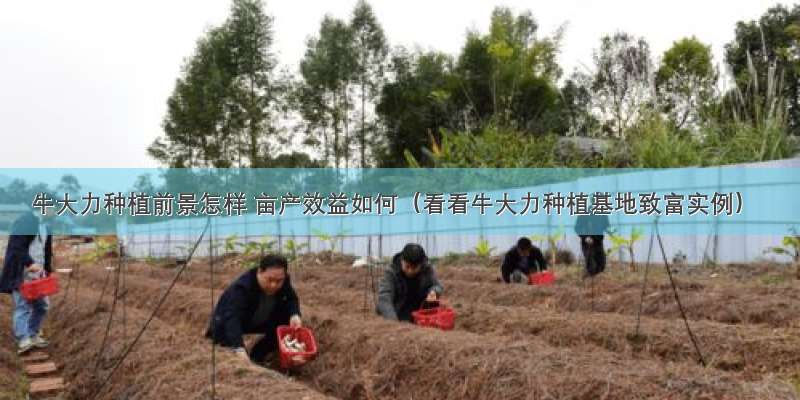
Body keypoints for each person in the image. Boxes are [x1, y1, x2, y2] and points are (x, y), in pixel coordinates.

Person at [206, 254, 304, 365]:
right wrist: (239, 348)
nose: (273, 285)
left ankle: (257, 357)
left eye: (278, 281)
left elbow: (291, 298)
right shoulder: (242, 288)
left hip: (259, 319)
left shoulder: (283, 280)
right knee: (227, 349)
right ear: (259, 272)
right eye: (270, 280)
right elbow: (232, 319)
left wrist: (295, 314)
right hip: (228, 322)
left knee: (285, 324)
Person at [0, 207, 54, 355]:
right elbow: (16, 247)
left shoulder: (46, 226)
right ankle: (23, 339)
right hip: (22, 272)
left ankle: (33, 334)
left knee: (42, 305)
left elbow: (47, 252)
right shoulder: (25, 221)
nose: (55, 212)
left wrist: (48, 270)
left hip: (38, 275)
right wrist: (29, 263)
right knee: (23, 306)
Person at [376, 243, 444, 322]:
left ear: (421, 265)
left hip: (419, 315)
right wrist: (393, 322)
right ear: (402, 261)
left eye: (414, 268)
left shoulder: (427, 269)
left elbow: (437, 285)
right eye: (407, 266)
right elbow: (384, 298)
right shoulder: (391, 272)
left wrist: (434, 292)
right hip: (396, 313)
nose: (410, 271)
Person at [575, 212, 611, 277]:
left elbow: (606, 226)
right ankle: (590, 278)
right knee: (591, 262)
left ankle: (596, 278)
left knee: (601, 263)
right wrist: (585, 237)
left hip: (598, 241)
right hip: (587, 242)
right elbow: (577, 228)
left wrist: (611, 231)